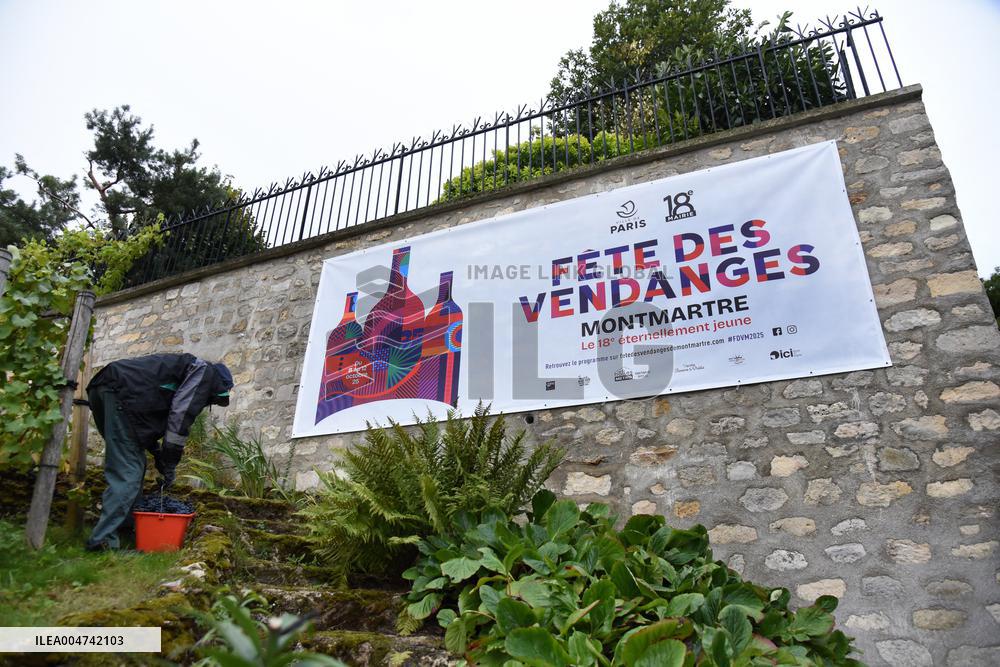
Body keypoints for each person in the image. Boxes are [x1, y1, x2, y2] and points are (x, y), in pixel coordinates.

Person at [84, 353, 234, 551]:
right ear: (218, 387)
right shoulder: (204, 374)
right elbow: (180, 418)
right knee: (129, 471)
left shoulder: (185, 371)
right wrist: (170, 463)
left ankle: (125, 530)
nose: (209, 403)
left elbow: (144, 422)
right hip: (120, 392)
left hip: (106, 388)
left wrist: (158, 455)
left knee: (134, 463)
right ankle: (102, 541)